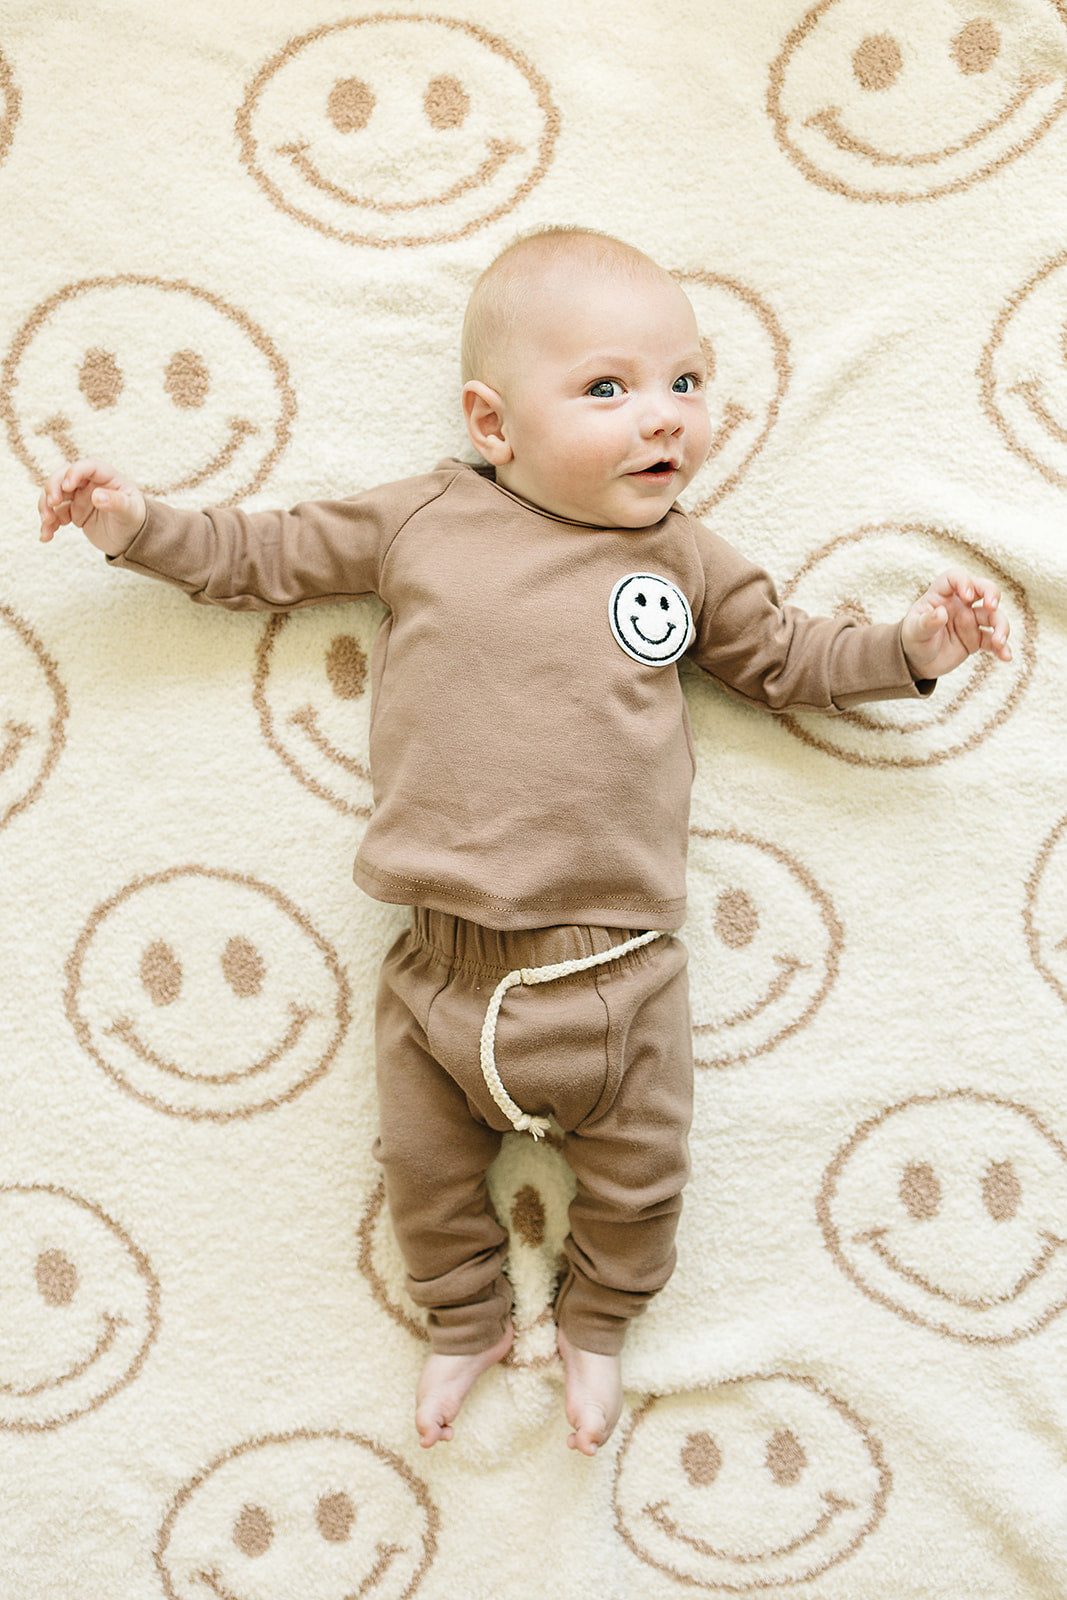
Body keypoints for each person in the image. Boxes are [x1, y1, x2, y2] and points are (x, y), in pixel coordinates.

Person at [38, 227, 1011, 1457]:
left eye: (685, 381)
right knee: (422, 1171)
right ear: (492, 424)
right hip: (437, 972)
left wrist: (911, 648)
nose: (662, 417)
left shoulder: (682, 560)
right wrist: (135, 523)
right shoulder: (423, 518)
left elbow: (786, 657)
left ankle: (597, 1324)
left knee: (641, 1178)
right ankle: (465, 1319)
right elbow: (263, 555)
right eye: (607, 388)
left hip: (617, 977)